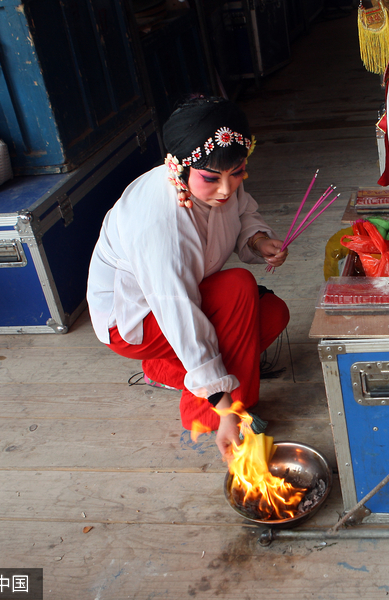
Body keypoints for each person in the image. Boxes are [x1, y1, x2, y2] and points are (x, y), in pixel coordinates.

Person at [86, 96, 290, 458]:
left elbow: (243, 212)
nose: (227, 189)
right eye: (212, 179)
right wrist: (226, 406)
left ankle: (166, 370)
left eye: (238, 172)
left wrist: (258, 241)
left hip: (185, 293)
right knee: (239, 289)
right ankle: (214, 413)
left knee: (273, 314)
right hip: (137, 319)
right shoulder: (158, 222)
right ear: (177, 168)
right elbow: (178, 313)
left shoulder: (221, 179)